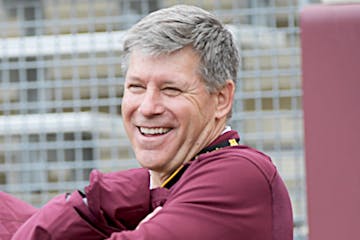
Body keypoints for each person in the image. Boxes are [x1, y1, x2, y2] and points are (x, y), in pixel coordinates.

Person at [2, 4, 293, 240]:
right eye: (136, 87)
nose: (148, 107)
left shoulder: (239, 176)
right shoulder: (149, 185)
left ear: (221, 99)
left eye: (171, 89)